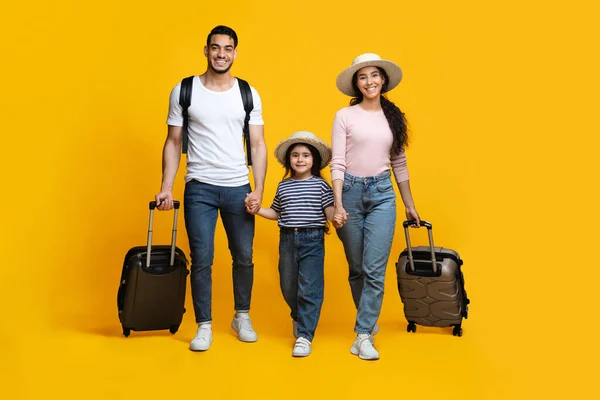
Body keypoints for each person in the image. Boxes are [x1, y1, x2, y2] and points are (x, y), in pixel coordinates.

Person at [155, 25, 267, 352]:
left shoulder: (248, 93)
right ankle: (204, 325)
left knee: (244, 256)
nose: (221, 54)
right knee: (202, 258)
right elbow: (173, 141)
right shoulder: (184, 90)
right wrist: (166, 186)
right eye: (215, 48)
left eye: (228, 48)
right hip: (199, 187)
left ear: (235, 52)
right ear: (206, 50)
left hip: (238, 186)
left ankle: (241, 316)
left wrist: (259, 188)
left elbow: (258, 144)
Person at [331, 53, 421, 360]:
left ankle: (363, 334)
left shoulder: (392, 117)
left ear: (383, 80)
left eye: (374, 75)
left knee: (373, 269)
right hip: (351, 194)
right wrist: (338, 203)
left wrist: (409, 204)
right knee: (356, 269)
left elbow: (400, 162)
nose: (370, 81)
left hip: (383, 194)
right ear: (357, 84)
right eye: (363, 77)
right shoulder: (345, 116)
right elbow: (338, 162)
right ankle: (366, 324)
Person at [246, 131, 338, 357]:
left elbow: (329, 213)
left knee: (310, 288)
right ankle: (300, 317)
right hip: (287, 239)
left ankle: (305, 336)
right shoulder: (284, 186)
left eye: (305, 155)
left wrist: (339, 213)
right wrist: (257, 210)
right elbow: (276, 212)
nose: (300, 159)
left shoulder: (321, 186)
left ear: (314, 160)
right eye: (295, 155)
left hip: (313, 240)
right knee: (288, 286)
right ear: (289, 160)